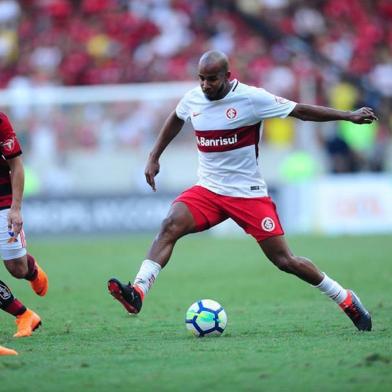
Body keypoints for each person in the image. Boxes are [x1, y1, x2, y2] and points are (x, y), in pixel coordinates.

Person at [108, 50, 376, 331]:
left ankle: (344, 298)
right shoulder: (193, 99)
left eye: (212, 79)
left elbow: (300, 111)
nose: (205, 85)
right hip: (209, 190)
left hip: (247, 194)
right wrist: (154, 156)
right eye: (201, 79)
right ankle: (138, 292)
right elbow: (176, 118)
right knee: (170, 224)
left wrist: (348, 115)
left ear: (227, 76)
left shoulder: (252, 98)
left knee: (285, 261)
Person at [0, 113, 48, 298]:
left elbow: (16, 164)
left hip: (2, 197)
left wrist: (15, 209)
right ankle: (24, 315)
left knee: (16, 268)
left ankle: (33, 271)